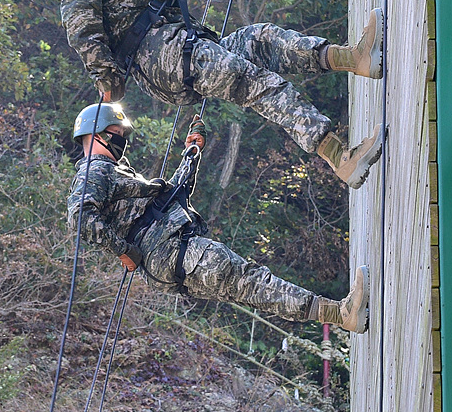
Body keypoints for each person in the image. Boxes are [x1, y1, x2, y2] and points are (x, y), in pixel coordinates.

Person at [57, 0, 384, 188]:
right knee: (257, 83)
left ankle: (356, 59)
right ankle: (341, 157)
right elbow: (81, 29)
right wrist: (107, 75)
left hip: (179, 52)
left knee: (260, 40)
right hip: (169, 59)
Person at [66, 102, 369, 333]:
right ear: (95, 135)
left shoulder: (116, 171)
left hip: (172, 258)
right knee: (252, 281)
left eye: (122, 135)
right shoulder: (95, 170)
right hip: (173, 252)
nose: (122, 141)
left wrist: (192, 152)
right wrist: (122, 250)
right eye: (116, 134)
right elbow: (80, 216)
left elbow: (170, 195)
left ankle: (341, 314)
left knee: (252, 289)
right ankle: (342, 313)